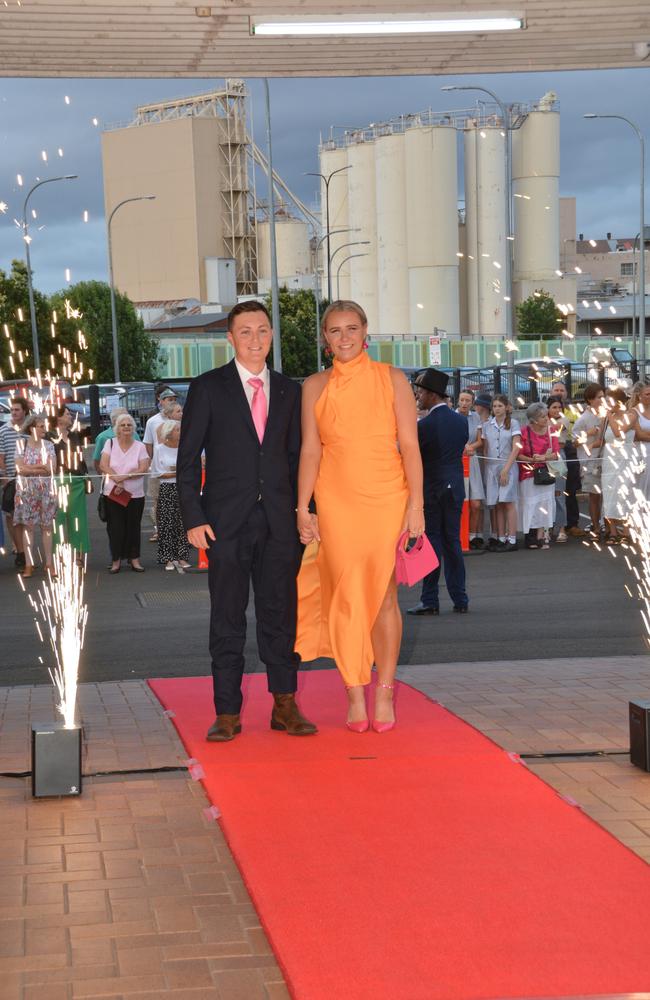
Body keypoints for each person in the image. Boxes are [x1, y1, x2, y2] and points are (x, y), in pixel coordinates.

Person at [177, 300, 317, 743]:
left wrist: (305, 511)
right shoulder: (208, 388)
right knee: (227, 616)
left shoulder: (291, 390)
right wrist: (193, 517)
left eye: (262, 331)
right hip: (224, 523)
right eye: (245, 332)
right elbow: (186, 463)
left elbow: (299, 458)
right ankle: (227, 712)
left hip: (280, 522)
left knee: (280, 615)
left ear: (271, 336)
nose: (255, 340)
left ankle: (284, 705)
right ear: (230, 338)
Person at [296, 301, 424, 733]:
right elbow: (310, 450)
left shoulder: (392, 378)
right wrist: (303, 507)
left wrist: (416, 505)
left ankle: (383, 690)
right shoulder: (313, 386)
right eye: (335, 331)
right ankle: (354, 690)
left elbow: (409, 445)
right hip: (335, 501)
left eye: (352, 328)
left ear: (365, 331)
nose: (344, 337)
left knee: (385, 596)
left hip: (388, 497)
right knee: (345, 596)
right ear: (324, 339)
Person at [406, 368, 468, 617]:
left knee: (431, 543)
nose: (418, 396)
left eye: (420, 392)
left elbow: (413, 456)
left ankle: (429, 599)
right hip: (455, 486)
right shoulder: (461, 421)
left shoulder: (425, 425)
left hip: (432, 489)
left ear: (432, 395)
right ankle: (460, 597)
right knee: (453, 542)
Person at [99, 412, 150, 573]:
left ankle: (134, 559)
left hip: (135, 494)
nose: (126, 427)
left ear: (133, 428)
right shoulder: (110, 443)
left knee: (133, 527)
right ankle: (116, 560)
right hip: (113, 492)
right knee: (115, 527)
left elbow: (143, 468)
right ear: (117, 429)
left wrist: (126, 477)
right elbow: (103, 465)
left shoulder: (140, 446)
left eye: (129, 425)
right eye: (123, 425)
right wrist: (118, 480)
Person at [601, 387, 647, 543]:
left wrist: (609, 416)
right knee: (609, 494)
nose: (607, 404)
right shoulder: (607, 418)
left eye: (610, 401)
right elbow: (602, 439)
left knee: (626, 494)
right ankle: (613, 531)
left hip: (626, 460)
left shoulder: (630, 416)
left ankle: (627, 532)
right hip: (609, 461)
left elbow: (619, 433)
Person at [13, 413, 57, 579]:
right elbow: (20, 469)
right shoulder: (21, 445)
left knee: (47, 527)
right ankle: (29, 564)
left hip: (46, 491)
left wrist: (30, 468)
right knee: (28, 527)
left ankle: (49, 563)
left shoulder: (49, 445)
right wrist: (40, 467)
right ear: (32, 428)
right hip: (26, 491)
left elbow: (52, 467)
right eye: (41, 426)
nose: (44, 429)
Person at [476, 394, 521, 551]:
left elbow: (516, 447)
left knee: (508, 502)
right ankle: (501, 538)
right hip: (491, 467)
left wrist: (506, 470)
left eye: (500, 406)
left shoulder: (514, 423)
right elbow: (485, 448)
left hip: (507, 466)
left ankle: (512, 539)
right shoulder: (487, 425)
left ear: (507, 407)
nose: (497, 409)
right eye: (494, 406)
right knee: (498, 504)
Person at [50, 404, 90, 563]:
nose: (71, 417)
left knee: (78, 519)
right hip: (58, 481)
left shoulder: (74, 435)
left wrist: (85, 476)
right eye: (67, 414)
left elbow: (81, 459)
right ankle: (59, 555)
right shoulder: (49, 436)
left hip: (76, 481)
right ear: (58, 417)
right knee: (58, 520)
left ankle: (79, 553)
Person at [518, 402, 561, 550]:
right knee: (530, 503)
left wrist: (543, 458)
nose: (546, 419)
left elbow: (556, 453)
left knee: (545, 504)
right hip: (528, 472)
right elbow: (519, 454)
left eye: (546, 416)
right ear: (533, 419)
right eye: (542, 417)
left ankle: (542, 535)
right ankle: (529, 535)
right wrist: (532, 460)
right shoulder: (524, 432)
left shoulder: (552, 431)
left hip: (546, 472)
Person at [549, 379, 585, 537]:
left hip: (569, 449)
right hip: (549, 452)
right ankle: (549, 526)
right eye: (556, 390)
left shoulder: (573, 411)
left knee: (570, 489)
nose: (559, 393)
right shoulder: (542, 411)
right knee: (551, 490)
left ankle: (572, 523)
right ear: (551, 393)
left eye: (561, 390)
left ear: (567, 393)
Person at [143, 388, 178, 543]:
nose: (172, 401)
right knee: (158, 501)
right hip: (160, 466)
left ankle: (179, 532)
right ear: (161, 401)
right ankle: (159, 530)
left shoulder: (180, 418)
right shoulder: (153, 421)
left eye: (173, 398)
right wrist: (153, 463)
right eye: (168, 399)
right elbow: (148, 444)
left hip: (177, 464)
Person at [156, 419, 191, 571]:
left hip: (183, 488)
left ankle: (182, 556)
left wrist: (177, 473)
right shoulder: (159, 449)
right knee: (167, 523)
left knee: (183, 523)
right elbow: (158, 472)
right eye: (177, 429)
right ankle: (168, 558)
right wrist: (177, 472)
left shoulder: (185, 447)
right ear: (169, 433)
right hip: (167, 489)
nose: (180, 432)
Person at [572, 383, 606, 538]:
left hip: (605, 458)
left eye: (603, 396)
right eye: (599, 397)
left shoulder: (605, 415)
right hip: (590, 462)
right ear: (590, 399)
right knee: (594, 496)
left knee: (606, 495)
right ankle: (596, 527)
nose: (602, 399)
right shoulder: (583, 419)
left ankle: (606, 525)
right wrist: (588, 434)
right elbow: (574, 442)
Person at [0, 397, 31, 567]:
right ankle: (20, 551)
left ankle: (26, 550)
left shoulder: (30, 430)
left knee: (27, 518)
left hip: (29, 479)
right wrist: (5, 478)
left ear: (24, 411)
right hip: (12, 479)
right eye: (12, 410)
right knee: (11, 516)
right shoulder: (4, 431)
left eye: (17, 409)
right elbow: (1, 457)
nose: (13, 412)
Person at [547, 396, 571, 543]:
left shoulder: (565, 420)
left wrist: (543, 421)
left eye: (559, 407)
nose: (557, 410)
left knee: (559, 494)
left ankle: (561, 528)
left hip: (558, 456)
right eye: (553, 407)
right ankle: (548, 528)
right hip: (544, 456)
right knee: (546, 495)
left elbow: (554, 430)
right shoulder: (543, 420)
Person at [92, 406, 140, 475]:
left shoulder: (134, 434)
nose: (128, 419)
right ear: (115, 421)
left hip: (133, 478)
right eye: (123, 418)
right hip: (112, 479)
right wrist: (106, 478)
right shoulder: (103, 437)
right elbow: (97, 461)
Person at [630, 381, 650, 501]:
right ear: (639, 395)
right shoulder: (633, 412)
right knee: (640, 488)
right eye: (647, 394)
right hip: (641, 454)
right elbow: (639, 435)